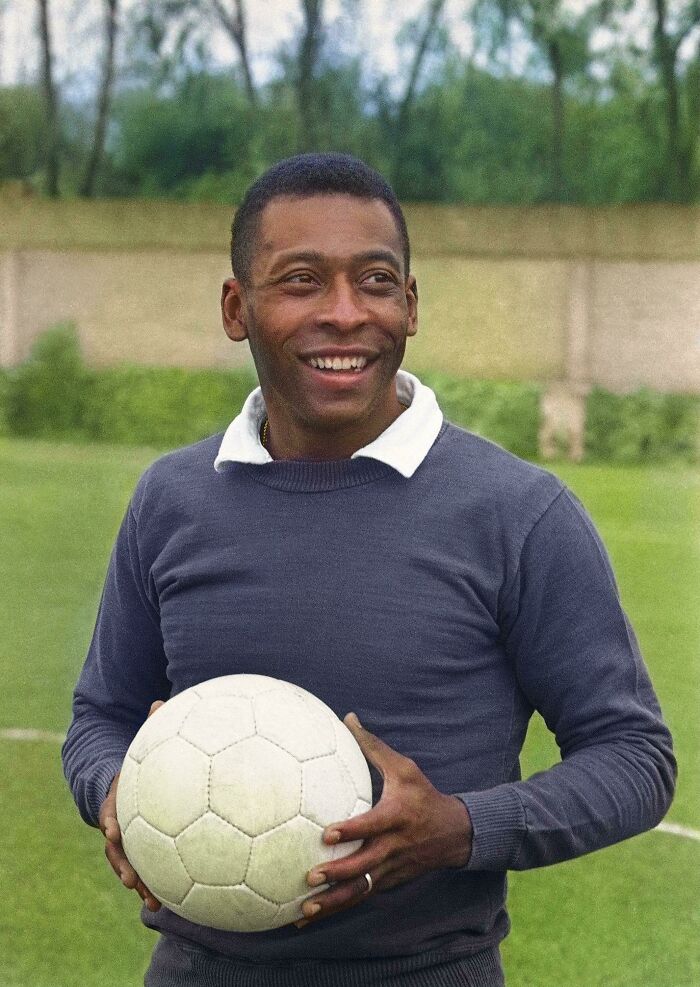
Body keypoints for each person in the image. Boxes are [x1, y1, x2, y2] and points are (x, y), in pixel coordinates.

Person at [62, 153, 676, 987]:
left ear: (411, 305)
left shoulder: (518, 512)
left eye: (376, 281)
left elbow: (634, 757)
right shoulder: (172, 499)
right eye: (302, 281)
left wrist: (459, 827)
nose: (345, 313)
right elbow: (102, 715)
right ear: (237, 308)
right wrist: (115, 790)